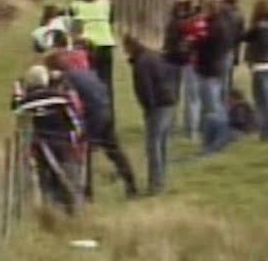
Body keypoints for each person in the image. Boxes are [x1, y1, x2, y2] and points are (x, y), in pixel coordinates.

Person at [47, 49, 139, 200]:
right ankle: (131, 183)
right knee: (114, 150)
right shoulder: (87, 73)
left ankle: (87, 192)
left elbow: (71, 102)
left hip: (94, 116)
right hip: (106, 111)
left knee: (85, 154)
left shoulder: (67, 79)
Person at [12, 64, 84, 213]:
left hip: (42, 146)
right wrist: (78, 137)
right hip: (64, 143)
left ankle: (52, 210)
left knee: (47, 181)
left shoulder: (27, 102)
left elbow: (17, 112)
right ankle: (73, 209)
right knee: (70, 177)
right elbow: (74, 119)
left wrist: (17, 94)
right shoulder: (60, 97)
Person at [123, 34, 179, 196]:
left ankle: (155, 184)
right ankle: (162, 179)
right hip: (169, 101)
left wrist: (148, 108)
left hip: (157, 105)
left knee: (153, 145)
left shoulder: (142, 64)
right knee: (162, 143)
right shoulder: (154, 56)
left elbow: (145, 88)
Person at [68, 0, 117, 120]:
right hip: (105, 45)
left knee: (87, 84)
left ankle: (90, 117)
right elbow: (111, 19)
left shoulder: (76, 5)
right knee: (106, 85)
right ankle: (108, 119)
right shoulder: (106, 3)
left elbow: (73, 25)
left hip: (87, 47)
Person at [192, 0, 233, 155]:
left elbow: (206, 45)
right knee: (211, 105)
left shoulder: (215, 26)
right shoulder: (218, 23)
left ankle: (219, 139)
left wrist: (197, 40)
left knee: (213, 106)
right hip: (212, 68)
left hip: (209, 69)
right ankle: (210, 137)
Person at [242, 0, 268, 141]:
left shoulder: (257, 28)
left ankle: (265, 134)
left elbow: (243, 37)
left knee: (261, 102)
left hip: (260, 67)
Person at [163, 0, 201, 142]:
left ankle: (174, 127)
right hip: (187, 60)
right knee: (190, 97)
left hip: (175, 60)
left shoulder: (173, 21)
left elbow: (168, 41)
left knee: (176, 96)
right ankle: (190, 130)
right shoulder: (193, 19)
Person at [220, 0, 246, 103]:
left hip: (223, 51)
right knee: (227, 81)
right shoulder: (239, 15)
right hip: (232, 50)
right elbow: (240, 36)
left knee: (222, 82)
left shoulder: (225, 15)